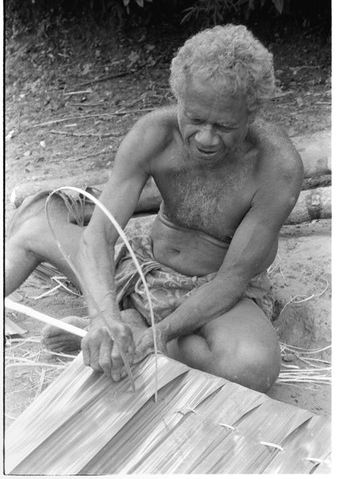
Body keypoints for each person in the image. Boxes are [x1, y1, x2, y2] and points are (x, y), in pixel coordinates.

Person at [5, 24, 303, 393]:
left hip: (217, 293)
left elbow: (232, 280)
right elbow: (98, 235)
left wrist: (157, 335)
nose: (207, 139)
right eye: (195, 119)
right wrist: (102, 315)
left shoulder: (276, 166)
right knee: (36, 223)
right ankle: (114, 326)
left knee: (251, 368)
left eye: (224, 126)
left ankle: (134, 330)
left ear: (252, 113)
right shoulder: (154, 134)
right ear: (179, 98)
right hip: (141, 269)